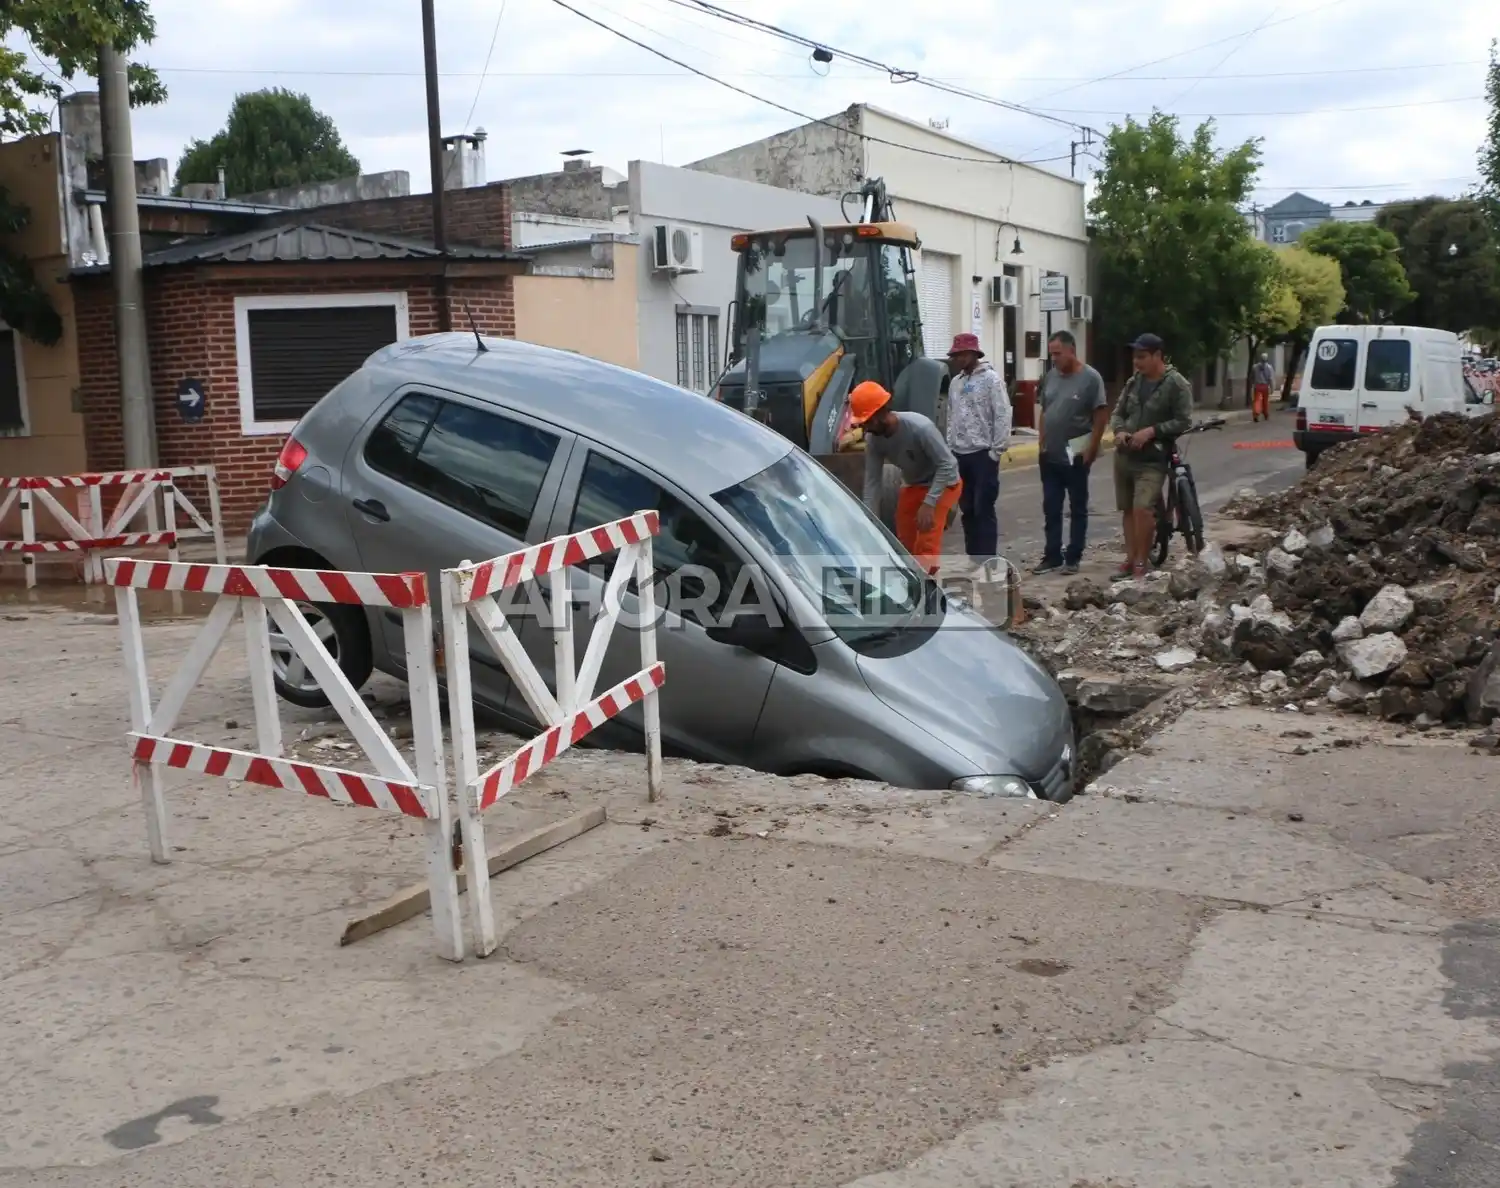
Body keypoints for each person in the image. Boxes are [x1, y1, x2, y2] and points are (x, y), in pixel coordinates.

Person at [852, 380, 962, 575]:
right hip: (914, 483)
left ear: (881, 413)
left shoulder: (920, 428)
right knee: (904, 540)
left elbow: (948, 464)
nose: (866, 428)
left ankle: (928, 588)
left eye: (868, 421)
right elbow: (872, 483)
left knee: (925, 542)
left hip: (944, 482)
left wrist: (929, 503)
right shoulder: (874, 440)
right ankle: (911, 583)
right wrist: (868, 521)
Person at [1110, 333, 1194, 580]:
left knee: (1143, 509)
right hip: (1125, 455)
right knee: (1127, 509)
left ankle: (1141, 563)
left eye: (1142, 357)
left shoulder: (1176, 384)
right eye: (1135, 357)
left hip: (1153, 458)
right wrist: (1120, 431)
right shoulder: (1133, 383)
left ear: (1158, 356)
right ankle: (1130, 557)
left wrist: (1152, 431)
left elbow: (1183, 420)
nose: (1137, 362)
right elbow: (1117, 413)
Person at [1034, 330, 1108, 576]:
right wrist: (1041, 442)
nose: (1054, 358)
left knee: (1077, 507)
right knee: (1051, 507)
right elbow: (1045, 410)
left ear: (1071, 350)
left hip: (1076, 455)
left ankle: (1073, 556)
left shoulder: (1090, 378)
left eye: (1058, 353)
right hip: (1051, 455)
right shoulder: (1050, 377)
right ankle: (1052, 555)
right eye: (1051, 354)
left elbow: (1100, 416)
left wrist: (1092, 448)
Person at [943, 332, 1011, 566]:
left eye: (963, 354)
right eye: (956, 355)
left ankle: (988, 558)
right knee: (967, 508)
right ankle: (973, 557)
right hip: (960, 454)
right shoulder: (956, 383)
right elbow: (951, 416)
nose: (959, 359)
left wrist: (996, 451)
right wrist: (950, 446)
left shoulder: (991, 380)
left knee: (984, 507)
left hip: (983, 454)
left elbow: (1002, 414)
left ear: (974, 353)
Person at [1251, 354, 1274, 422]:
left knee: (1257, 401)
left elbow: (1252, 377)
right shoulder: (1269, 367)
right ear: (1267, 359)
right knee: (1265, 401)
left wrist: (1253, 384)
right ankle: (1265, 413)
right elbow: (1270, 379)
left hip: (1257, 386)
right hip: (1265, 386)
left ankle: (1256, 414)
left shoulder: (1254, 367)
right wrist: (1272, 388)